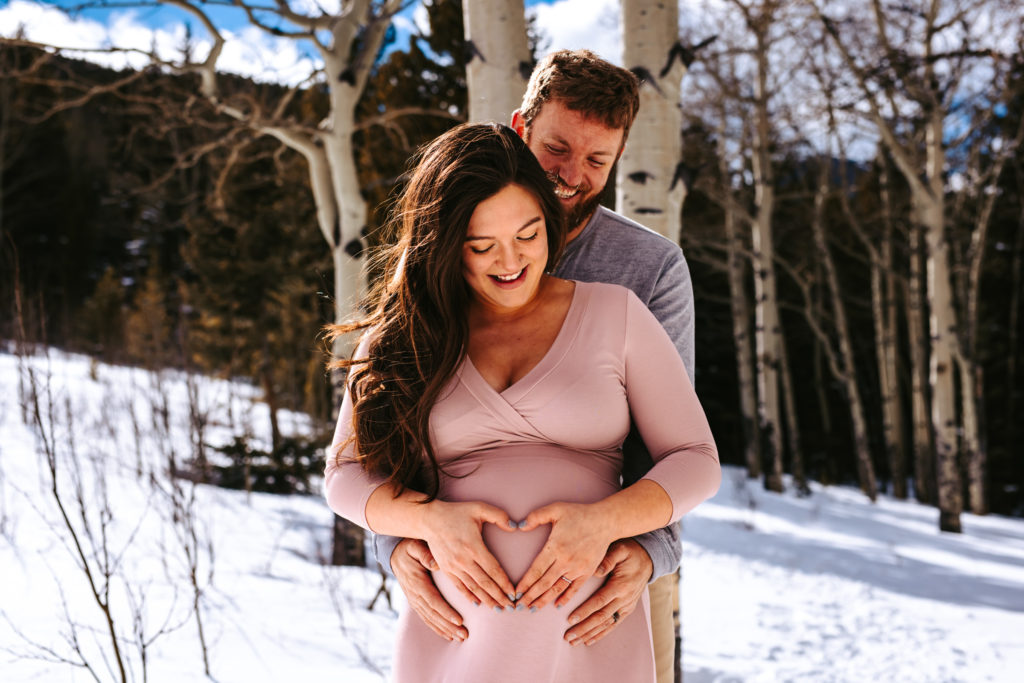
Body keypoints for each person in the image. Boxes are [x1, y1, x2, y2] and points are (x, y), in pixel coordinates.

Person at [324, 122, 719, 683]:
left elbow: (695, 459)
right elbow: (346, 476)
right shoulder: (403, 340)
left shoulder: (618, 314)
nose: (510, 262)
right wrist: (428, 521)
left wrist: (604, 523)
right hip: (455, 637)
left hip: (587, 636)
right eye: (481, 246)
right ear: (442, 244)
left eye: (529, 235)